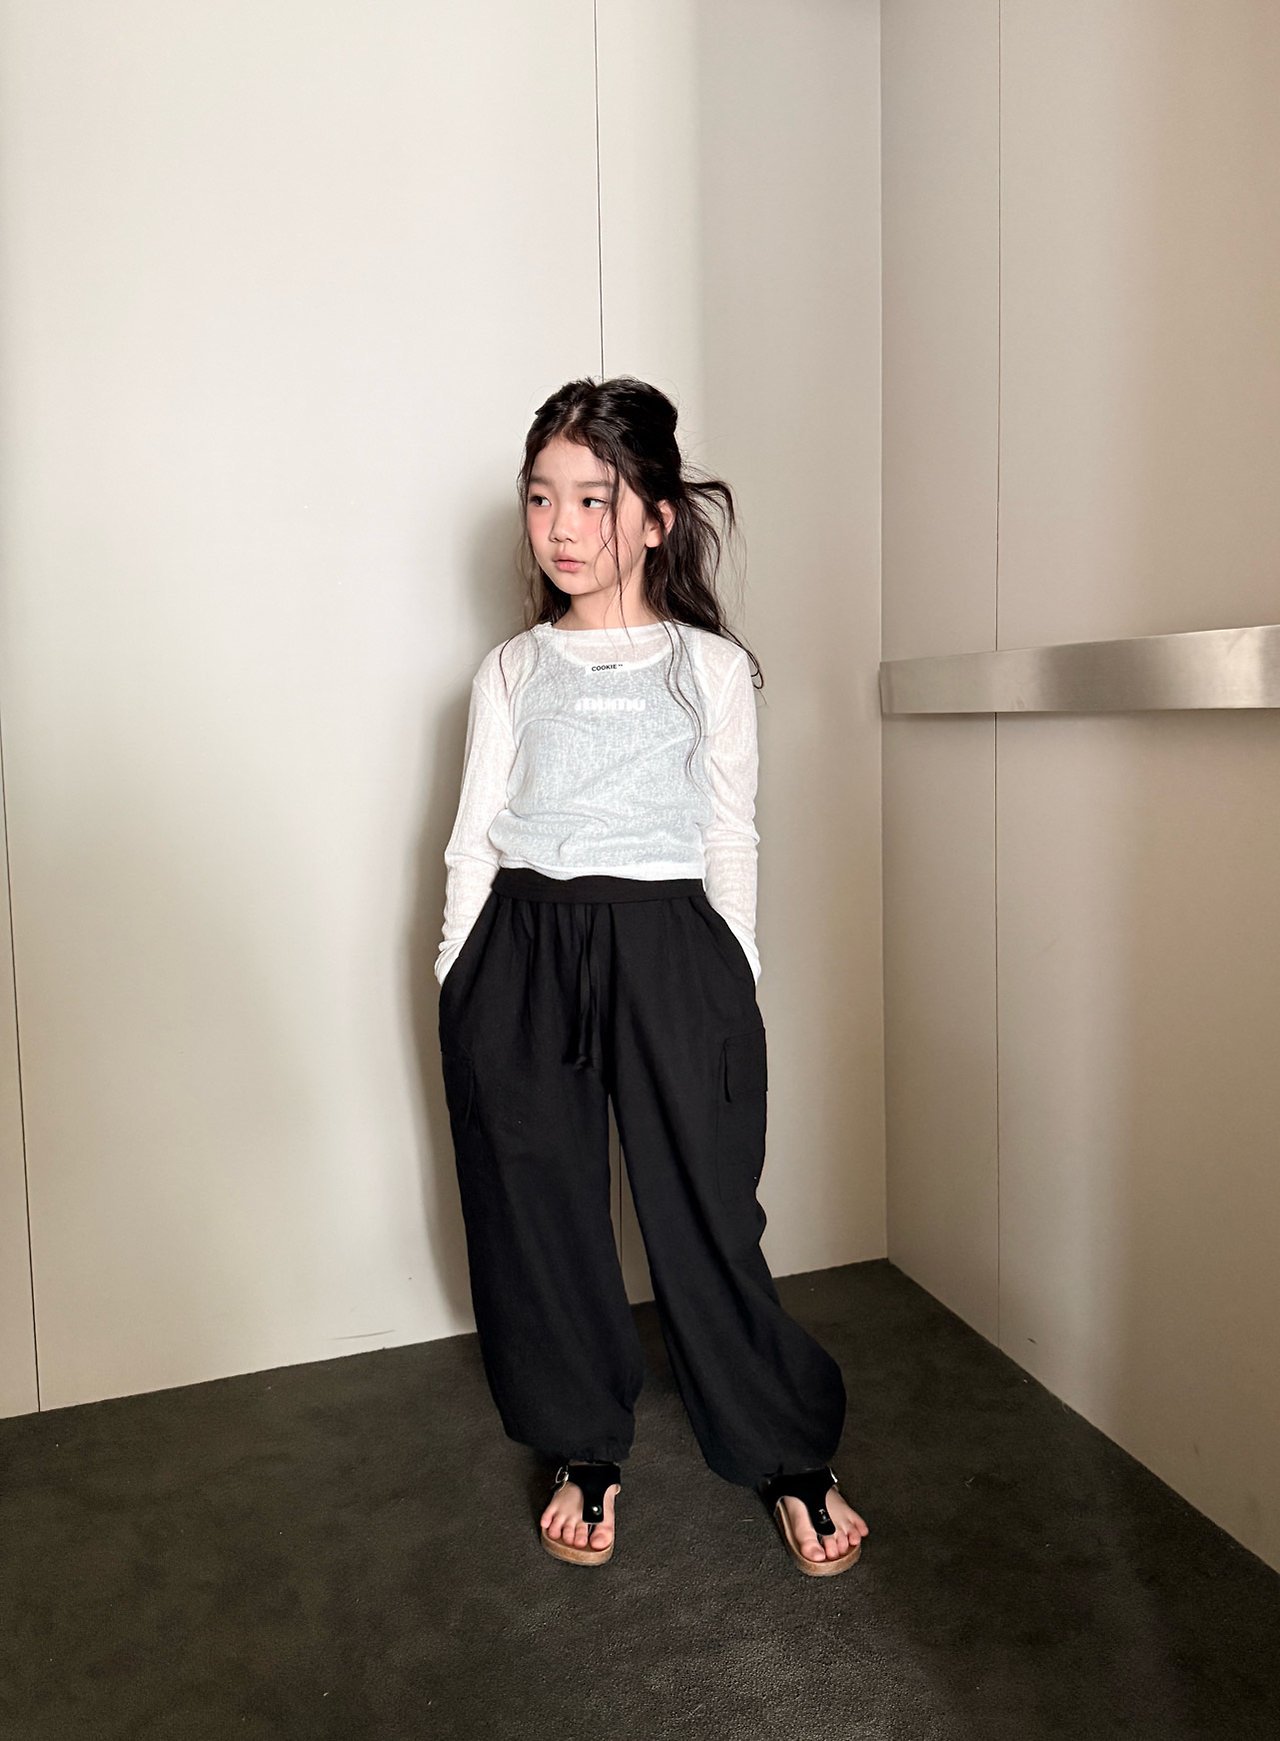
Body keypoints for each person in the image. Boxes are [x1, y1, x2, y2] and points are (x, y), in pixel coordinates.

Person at [435, 375, 869, 1577]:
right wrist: (458, 972)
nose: (561, 526)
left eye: (593, 497)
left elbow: (730, 831)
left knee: (706, 1207)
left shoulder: (708, 669)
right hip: (522, 944)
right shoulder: (509, 670)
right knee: (538, 1210)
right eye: (540, 497)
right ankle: (581, 1444)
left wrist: (729, 965)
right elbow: (471, 839)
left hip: (671, 943)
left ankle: (783, 1447)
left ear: (656, 516)